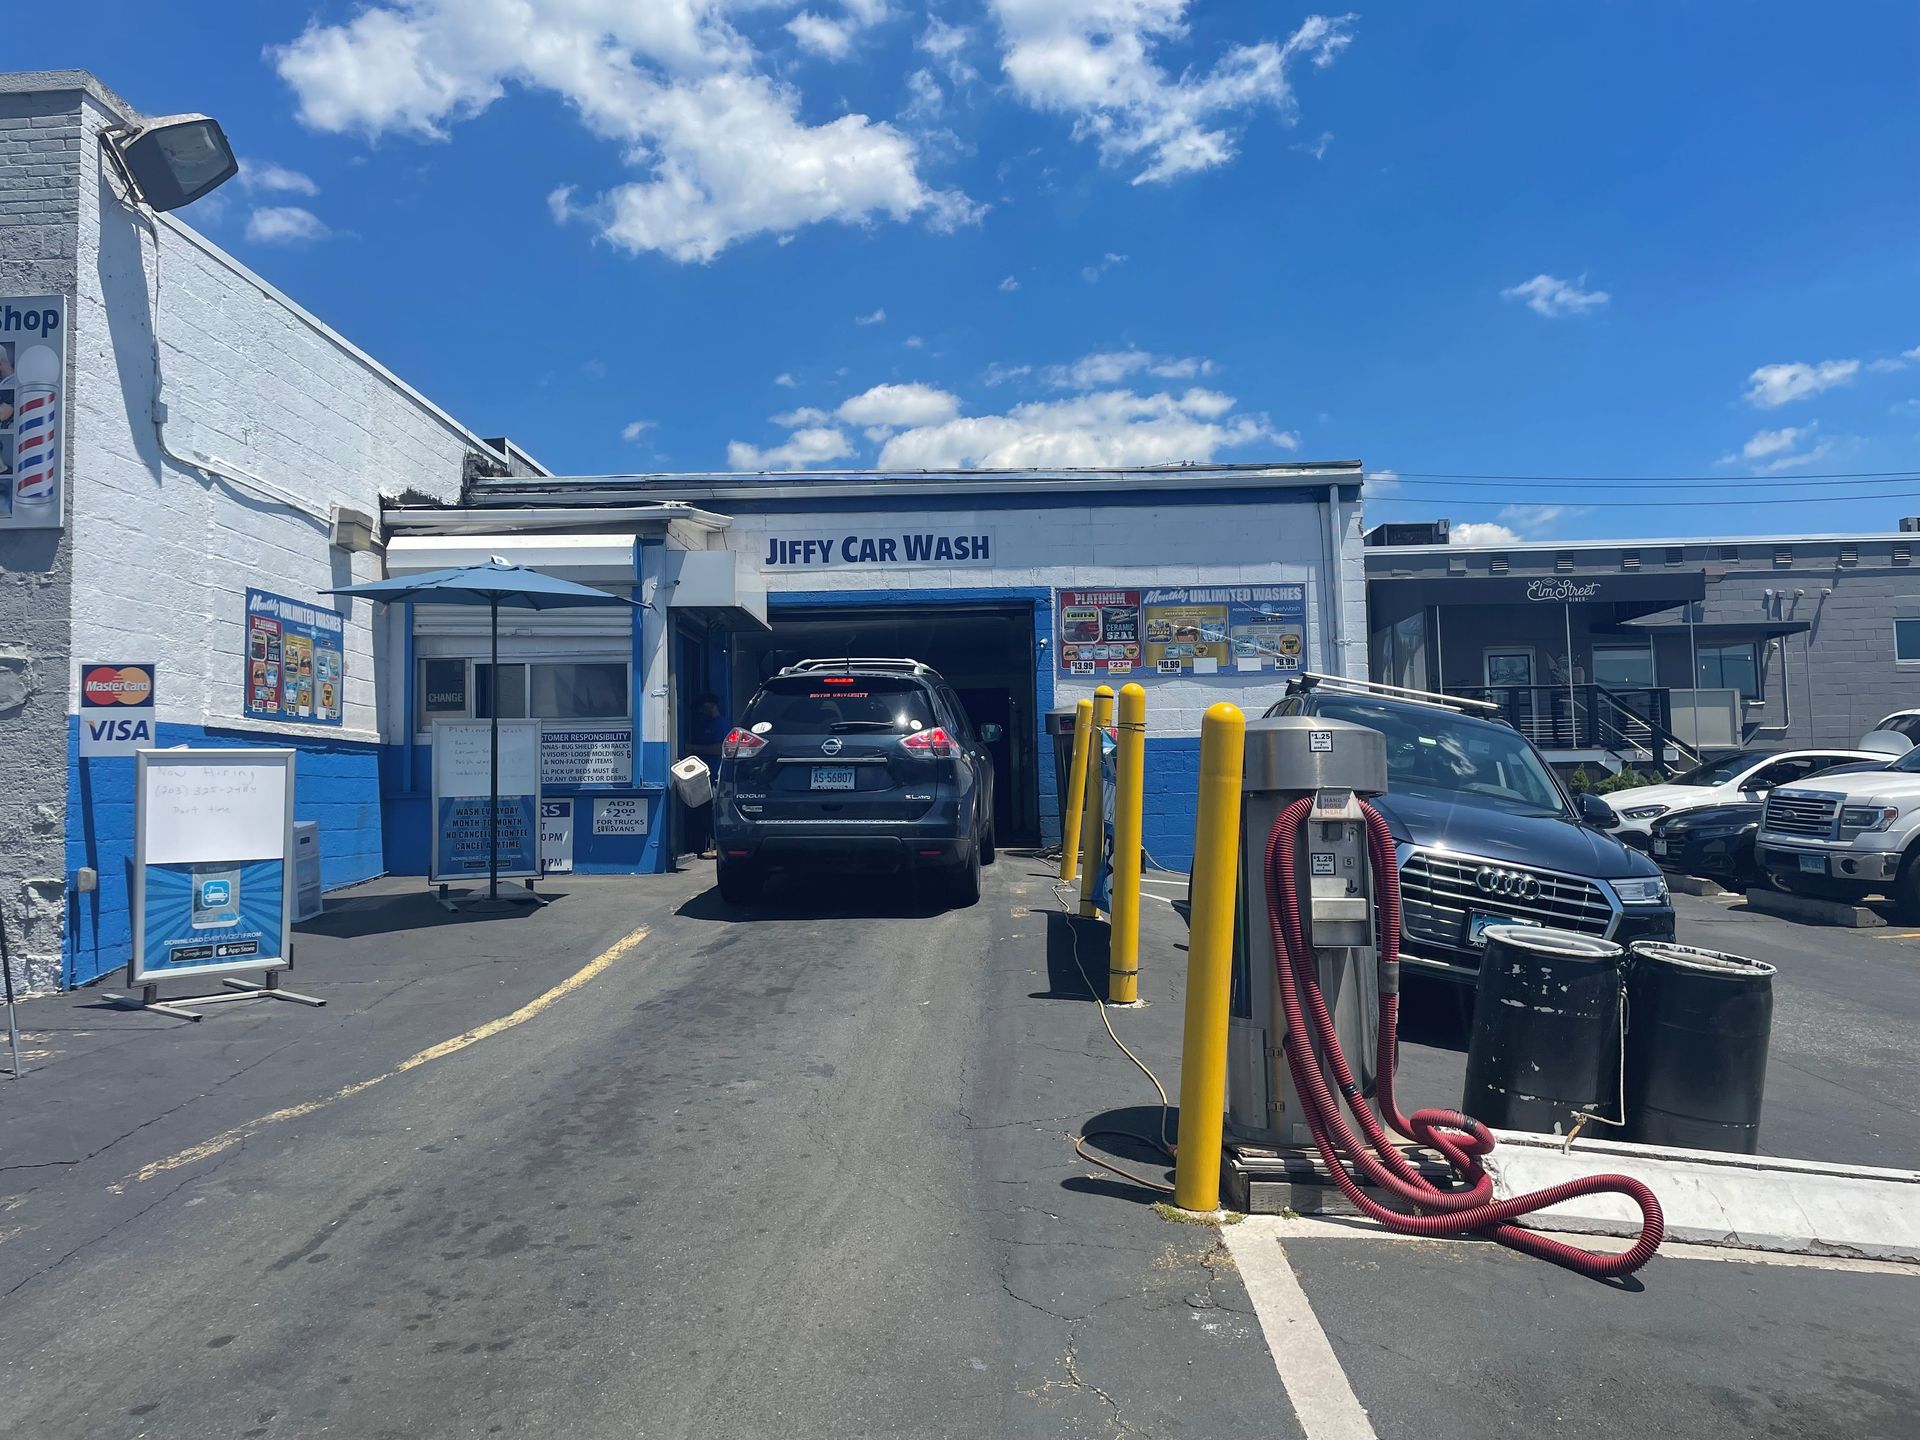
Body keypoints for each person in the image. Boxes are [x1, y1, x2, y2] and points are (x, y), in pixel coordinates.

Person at [685, 692, 728, 857]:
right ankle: (704, 845)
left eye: (704, 707)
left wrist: (693, 748)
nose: (702, 711)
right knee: (701, 810)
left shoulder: (721, 724)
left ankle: (717, 845)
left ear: (712, 705)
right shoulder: (702, 724)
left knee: (713, 811)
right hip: (700, 776)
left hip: (715, 775)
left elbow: (719, 748)